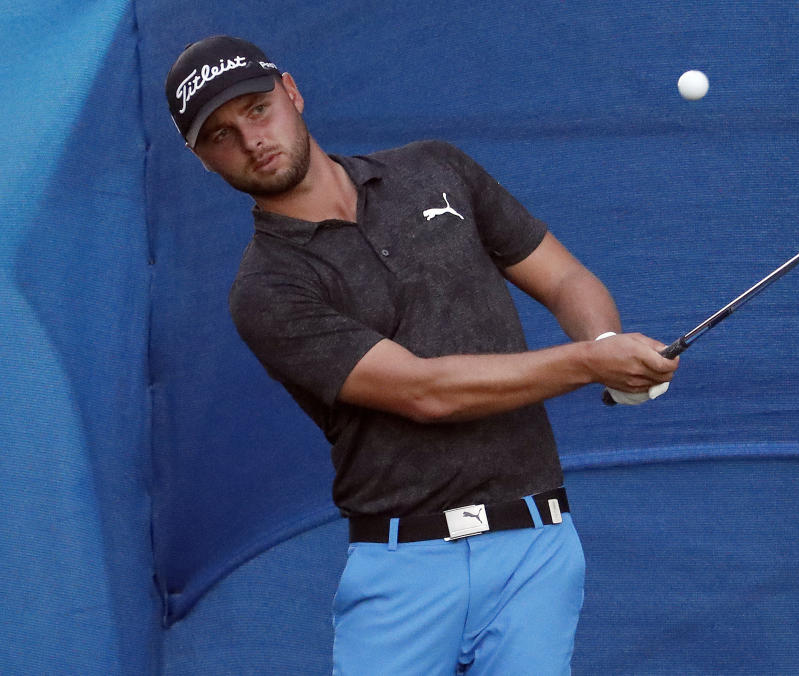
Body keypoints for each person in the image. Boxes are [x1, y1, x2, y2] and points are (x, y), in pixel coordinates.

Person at [165, 35, 678, 675]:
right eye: (219, 135)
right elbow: (423, 393)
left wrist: (604, 342)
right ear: (203, 161)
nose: (251, 141)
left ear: (291, 93)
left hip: (535, 547)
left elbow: (565, 280)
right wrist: (590, 364)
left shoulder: (436, 169)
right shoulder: (265, 289)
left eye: (257, 110)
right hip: (401, 566)